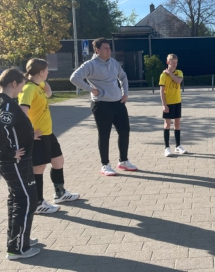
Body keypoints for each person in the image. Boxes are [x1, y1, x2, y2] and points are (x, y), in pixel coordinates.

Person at [0, 69, 41, 259]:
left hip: (18, 160)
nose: (21, 91)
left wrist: (28, 136)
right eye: (22, 86)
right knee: (25, 200)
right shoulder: (6, 104)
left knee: (20, 198)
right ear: (14, 84)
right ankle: (17, 249)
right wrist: (11, 151)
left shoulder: (1, 102)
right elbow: (0, 131)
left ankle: (19, 239)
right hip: (15, 161)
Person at [70, 37, 138, 176]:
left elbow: (123, 77)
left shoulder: (113, 63)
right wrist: (91, 89)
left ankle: (123, 161)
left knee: (124, 131)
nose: (109, 51)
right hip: (101, 105)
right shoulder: (90, 65)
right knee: (104, 134)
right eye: (106, 48)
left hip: (118, 103)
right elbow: (74, 78)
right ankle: (105, 165)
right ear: (97, 50)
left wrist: (125, 93)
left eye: (109, 48)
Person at [19, 59, 79, 214]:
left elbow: (49, 93)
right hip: (38, 136)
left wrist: (43, 82)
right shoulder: (28, 89)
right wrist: (29, 133)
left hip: (48, 133)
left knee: (58, 161)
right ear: (41, 72)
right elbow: (22, 111)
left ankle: (60, 194)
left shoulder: (38, 86)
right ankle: (37, 203)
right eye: (46, 70)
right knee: (38, 168)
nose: (48, 73)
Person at [159, 54, 187, 157]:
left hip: (177, 102)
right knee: (167, 124)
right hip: (168, 103)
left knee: (177, 123)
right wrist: (164, 105)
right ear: (168, 62)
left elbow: (178, 81)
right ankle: (167, 148)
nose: (175, 64)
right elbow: (161, 91)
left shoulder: (179, 72)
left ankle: (178, 146)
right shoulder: (163, 76)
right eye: (172, 62)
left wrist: (170, 73)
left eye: (176, 62)